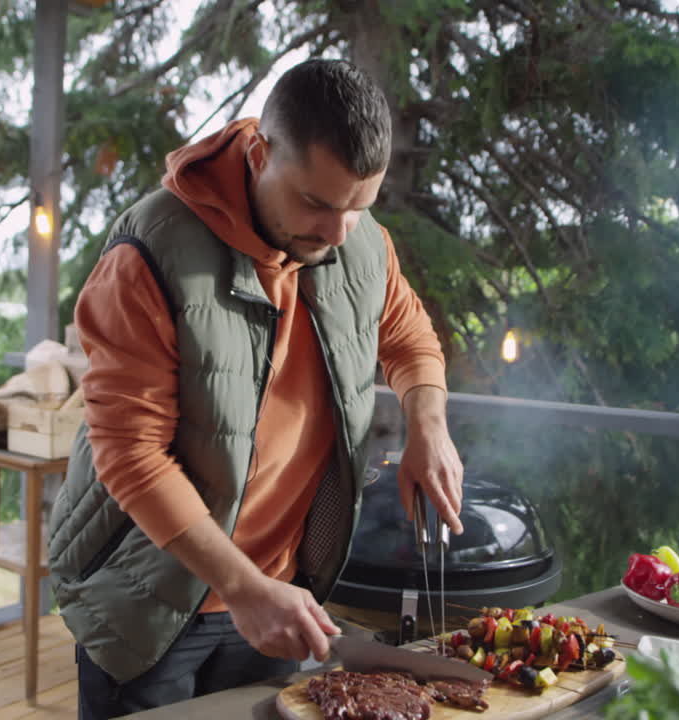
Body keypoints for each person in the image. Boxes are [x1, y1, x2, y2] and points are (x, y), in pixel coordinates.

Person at [48, 58, 466, 718]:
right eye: (316, 203)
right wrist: (241, 586)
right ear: (259, 152)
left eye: (360, 206)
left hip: (279, 597)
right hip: (147, 597)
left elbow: (409, 336)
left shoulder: (358, 244)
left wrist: (429, 425)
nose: (336, 234)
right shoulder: (149, 255)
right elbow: (132, 457)